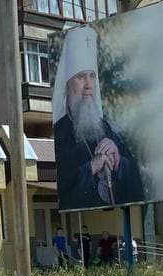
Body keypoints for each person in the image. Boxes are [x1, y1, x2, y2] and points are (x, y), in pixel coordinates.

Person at [52, 26, 145, 210]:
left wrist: (119, 161)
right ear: (67, 85)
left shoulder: (105, 128)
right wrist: (92, 167)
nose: (88, 85)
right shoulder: (60, 133)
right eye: (80, 77)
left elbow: (137, 186)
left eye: (92, 76)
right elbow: (63, 191)